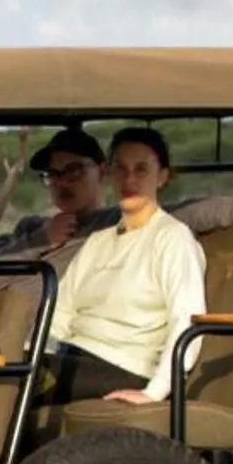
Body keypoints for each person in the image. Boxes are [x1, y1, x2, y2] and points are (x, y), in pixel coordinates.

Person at [40, 128, 208, 406]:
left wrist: (154, 392)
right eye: (121, 169)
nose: (129, 179)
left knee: (18, 380)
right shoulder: (97, 241)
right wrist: (30, 351)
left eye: (141, 169)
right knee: (6, 369)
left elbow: (186, 321)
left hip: (125, 366)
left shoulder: (172, 238)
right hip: (73, 356)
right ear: (108, 174)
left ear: (163, 176)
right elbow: (59, 315)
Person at [0, 124, 233, 264]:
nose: (63, 183)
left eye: (74, 171)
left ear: (101, 173)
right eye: (53, 175)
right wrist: (40, 241)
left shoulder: (119, 222)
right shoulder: (29, 229)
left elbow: (188, 212)